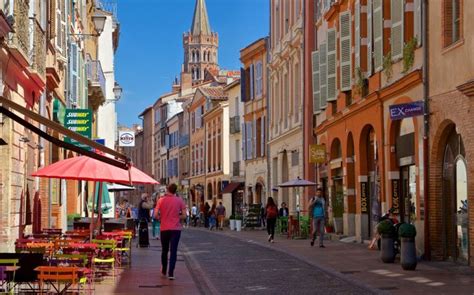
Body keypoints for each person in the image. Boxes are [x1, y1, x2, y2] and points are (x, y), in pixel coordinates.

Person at [154, 183, 186, 280]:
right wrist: (177, 216)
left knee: (164, 250)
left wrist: (161, 218)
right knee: (173, 251)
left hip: (164, 228)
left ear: (167, 190)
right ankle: (171, 273)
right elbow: (184, 215)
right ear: (175, 191)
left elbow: (155, 215)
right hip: (175, 229)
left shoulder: (161, 200)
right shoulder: (179, 200)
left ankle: (164, 269)